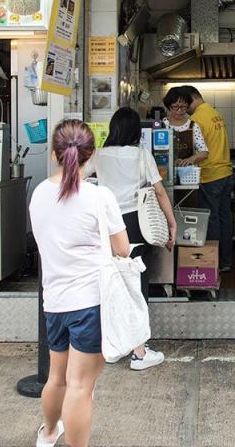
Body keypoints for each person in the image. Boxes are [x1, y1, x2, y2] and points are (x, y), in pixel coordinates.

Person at [29, 120, 131, 447]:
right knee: (80, 387)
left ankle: (48, 433)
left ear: (55, 153)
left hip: (54, 303)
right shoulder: (99, 197)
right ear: (91, 154)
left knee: (56, 378)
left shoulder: (39, 194)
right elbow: (123, 249)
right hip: (90, 303)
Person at [82, 107, 175, 371]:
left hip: (106, 225)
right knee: (135, 283)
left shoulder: (99, 155)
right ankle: (139, 352)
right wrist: (171, 223)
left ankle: (113, 347)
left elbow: (80, 178)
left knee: (111, 281)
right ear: (136, 131)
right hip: (133, 224)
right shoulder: (141, 155)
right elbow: (159, 192)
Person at [176, 85, 235, 272]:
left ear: (192, 98)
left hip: (210, 175)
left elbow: (197, 149)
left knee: (211, 220)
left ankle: (212, 262)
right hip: (225, 173)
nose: (184, 108)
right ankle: (225, 261)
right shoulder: (213, 112)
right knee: (225, 218)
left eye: (185, 103)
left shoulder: (196, 119)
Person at [162, 87, 209, 167]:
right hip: (165, 171)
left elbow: (204, 152)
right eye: (175, 107)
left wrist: (191, 159)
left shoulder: (193, 126)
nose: (179, 110)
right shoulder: (162, 125)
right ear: (169, 106)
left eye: (183, 107)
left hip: (187, 173)